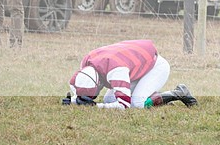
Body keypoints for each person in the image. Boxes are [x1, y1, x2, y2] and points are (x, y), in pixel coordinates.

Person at [67, 39, 198, 109]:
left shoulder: (115, 71)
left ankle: (178, 93)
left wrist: (95, 106)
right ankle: (155, 98)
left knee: (137, 103)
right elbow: (82, 89)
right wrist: (72, 100)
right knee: (109, 100)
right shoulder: (86, 64)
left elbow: (124, 104)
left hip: (156, 67)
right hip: (135, 67)